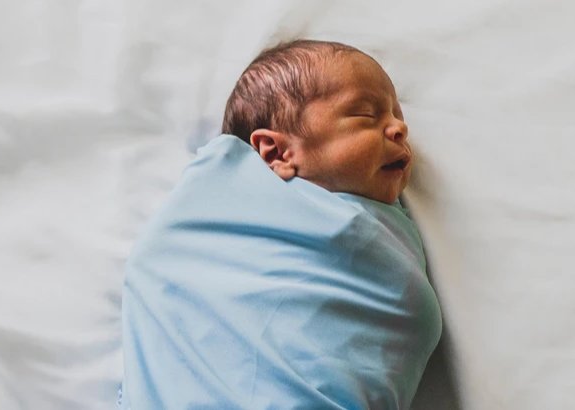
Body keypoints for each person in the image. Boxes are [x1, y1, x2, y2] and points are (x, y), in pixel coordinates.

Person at [119, 39, 442, 409]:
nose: (399, 128)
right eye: (367, 115)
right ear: (277, 152)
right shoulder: (207, 221)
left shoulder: (379, 234)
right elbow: (161, 268)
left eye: (398, 116)